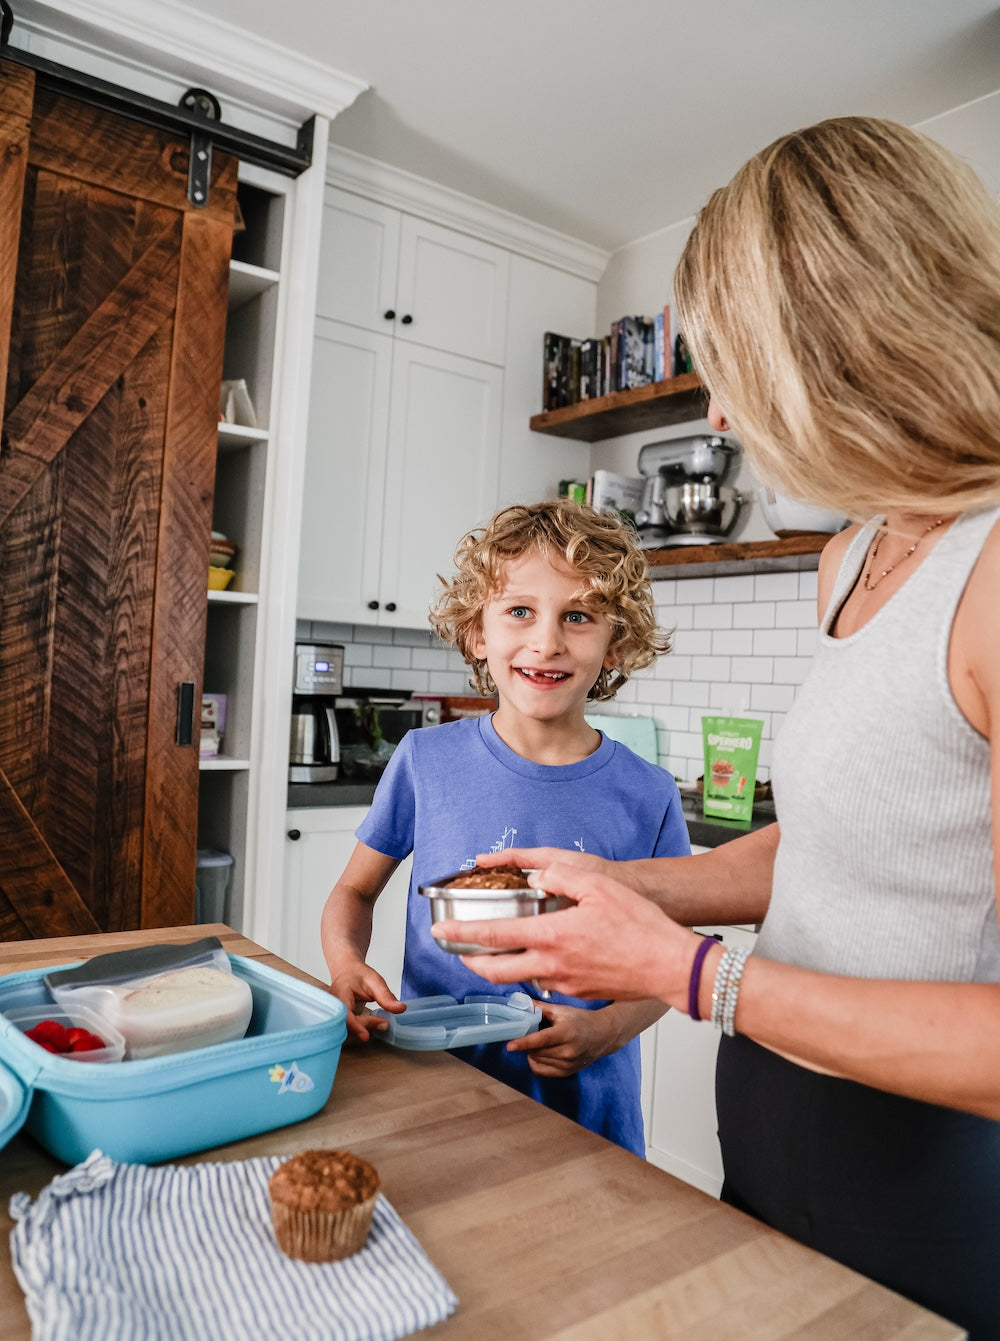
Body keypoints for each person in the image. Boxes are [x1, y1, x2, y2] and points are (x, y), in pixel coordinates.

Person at [428, 117, 1000, 1338]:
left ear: (841, 348)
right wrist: (622, 887)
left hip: (935, 1167)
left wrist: (676, 969)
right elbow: (844, 842)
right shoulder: (851, 558)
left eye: (736, 368)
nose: (727, 419)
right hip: (780, 1118)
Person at [321, 499, 691, 1156]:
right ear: (477, 632)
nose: (546, 640)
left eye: (578, 616)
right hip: (437, 1094)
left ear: (619, 642)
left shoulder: (648, 794)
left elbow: (675, 958)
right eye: (520, 610)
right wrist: (347, 964)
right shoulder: (425, 760)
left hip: (588, 1110)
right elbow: (354, 892)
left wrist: (606, 1032)